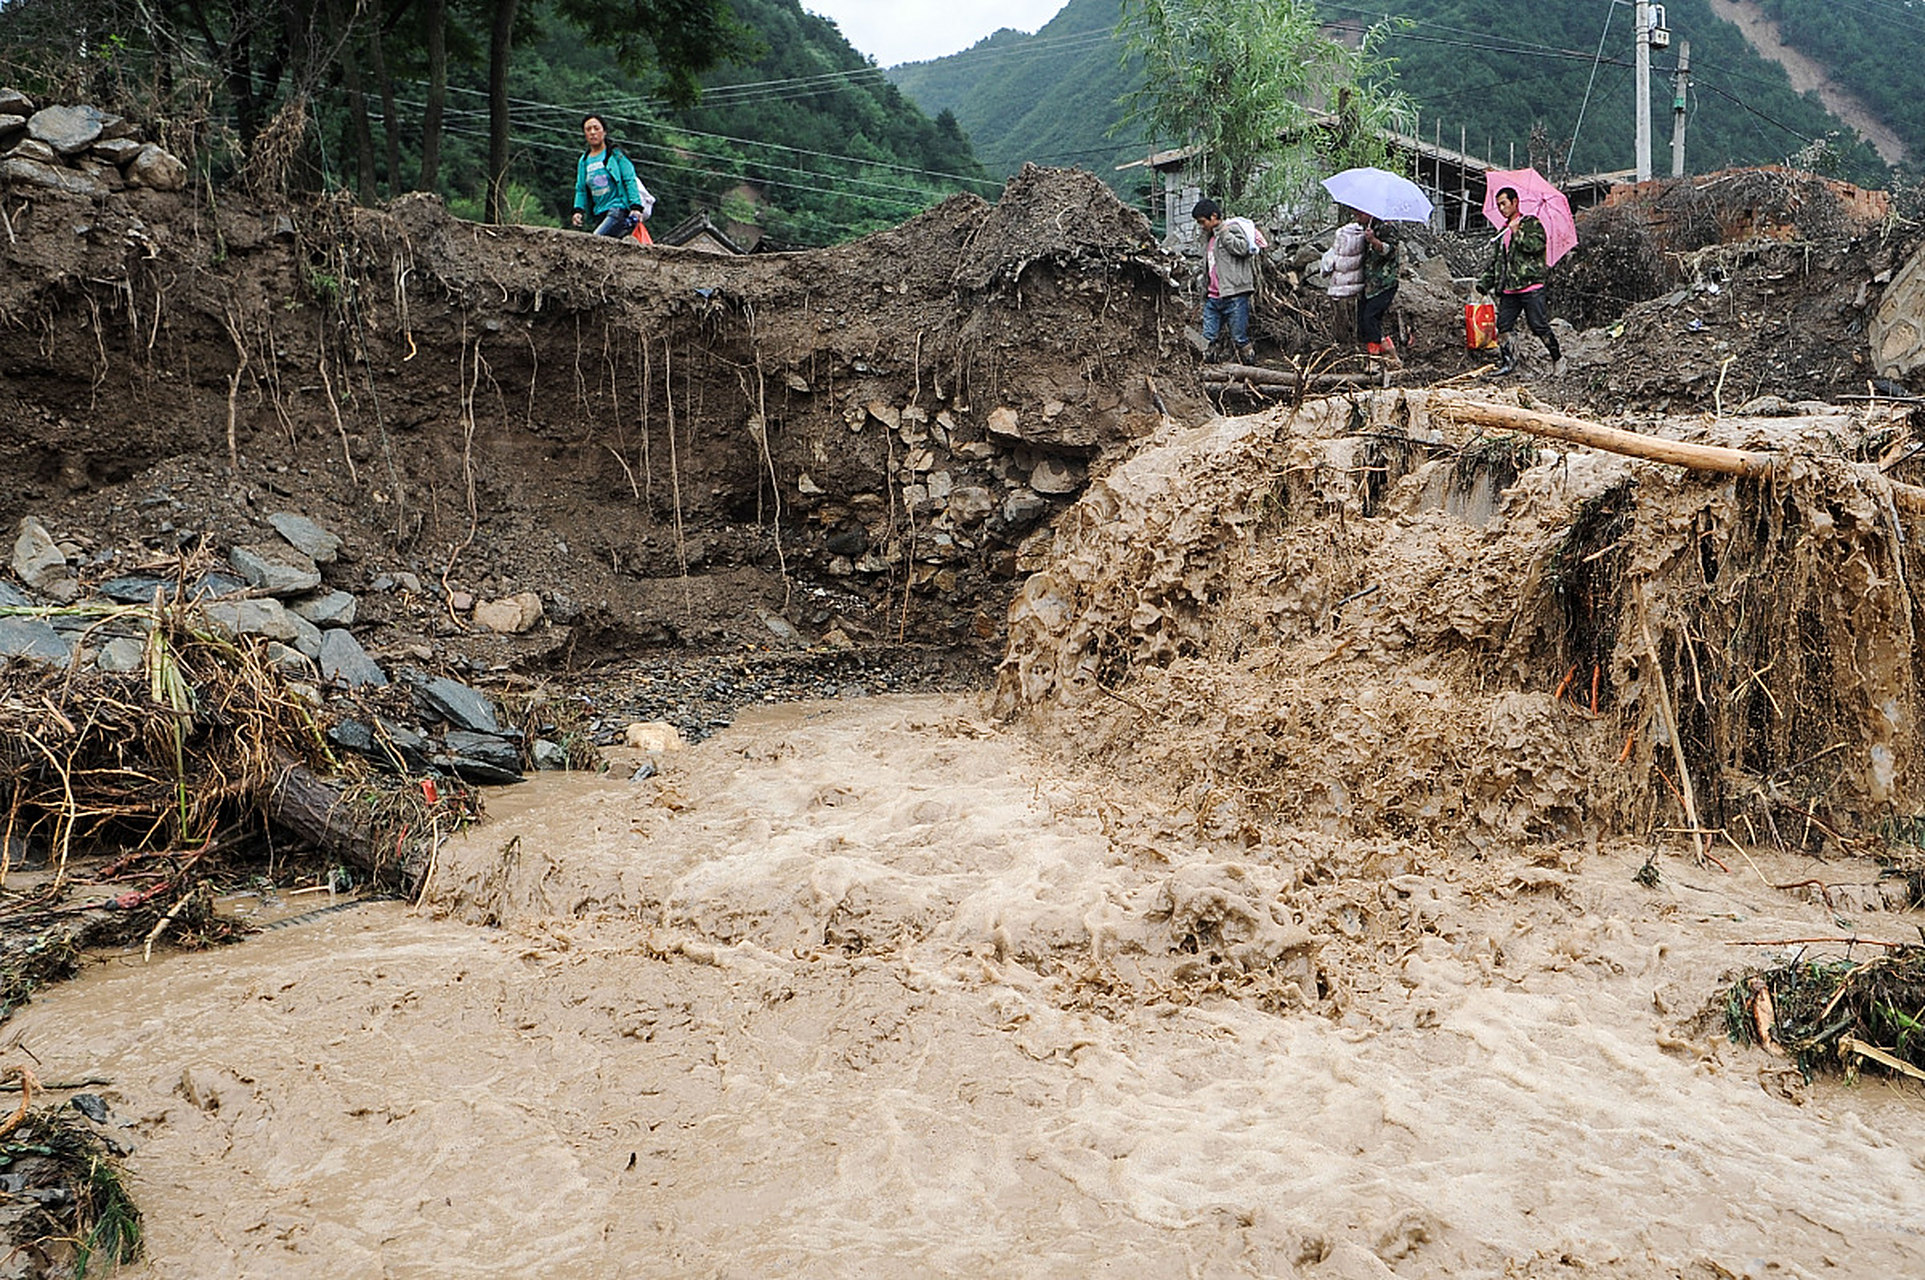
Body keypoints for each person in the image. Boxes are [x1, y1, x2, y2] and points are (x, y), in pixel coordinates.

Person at [1476, 185, 1566, 377]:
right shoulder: (1503, 231)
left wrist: (1518, 232)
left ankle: (1558, 358)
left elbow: (1536, 246)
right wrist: (1484, 284)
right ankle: (1508, 363)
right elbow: (1499, 263)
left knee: (1538, 325)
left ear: (1515, 202)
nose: (1501, 208)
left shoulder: (1531, 224)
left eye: (1504, 204)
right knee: (1504, 325)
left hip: (1530, 286)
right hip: (1510, 288)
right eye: (1498, 205)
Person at [1192, 198, 1257, 364]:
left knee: (1239, 337)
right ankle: (1208, 371)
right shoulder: (1208, 239)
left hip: (1234, 294)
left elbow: (1242, 249)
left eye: (1203, 222)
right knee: (1208, 338)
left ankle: (1250, 367)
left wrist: (1223, 231)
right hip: (1213, 297)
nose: (1202, 226)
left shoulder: (1233, 229)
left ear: (1214, 216)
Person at [570, 115, 653, 239]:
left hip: (617, 210)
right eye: (588, 129)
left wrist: (636, 207)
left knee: (594, 240)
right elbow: (581, 188)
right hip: (599, 212)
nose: (592, 132)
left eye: (596, 128)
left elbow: (629, 180)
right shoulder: (584, 161)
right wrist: (578, 210)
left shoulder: (616, 155)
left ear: (604, 132)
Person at [1355, 209, 1401, 366]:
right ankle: (1382, 356)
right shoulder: (1367, 227)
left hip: (1384, 283)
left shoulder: (1387, 227)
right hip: (1369, 284)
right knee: (1364, 322)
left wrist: (1373, 240)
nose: (1357, 217)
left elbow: (1389, 250)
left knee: (1370, 318)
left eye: (1360, 214)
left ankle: (1383, 356)